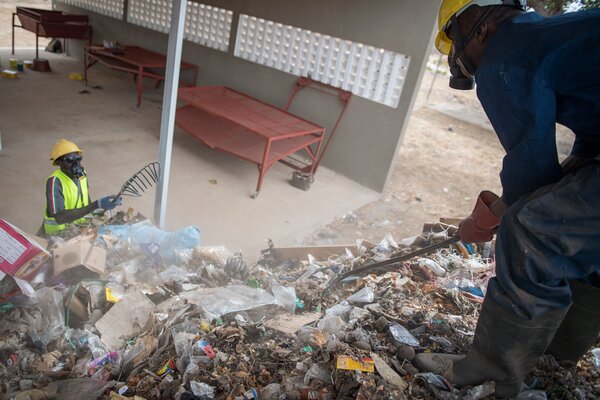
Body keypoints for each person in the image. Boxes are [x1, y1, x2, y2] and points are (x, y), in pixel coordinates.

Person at [415, 1, 600, 397]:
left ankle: (492, 370)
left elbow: (531, 177)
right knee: (585, 240)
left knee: (533, 231)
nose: (460, 59)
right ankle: (556, 358)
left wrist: (482, 223)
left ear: (477, 27)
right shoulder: (554, 36)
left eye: (457, 43)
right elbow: (591, 129)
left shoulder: (504, 58)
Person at [42, 139, 122, 236]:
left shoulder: (82, 175)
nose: (76, 163)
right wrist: (96, 204)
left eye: (78, 158)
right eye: (70, 160)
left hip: (79, 226)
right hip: (59, 233)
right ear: (59, 162)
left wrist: (102, 208)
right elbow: (60, 217)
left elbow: (86, 204)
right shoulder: (55, 181)